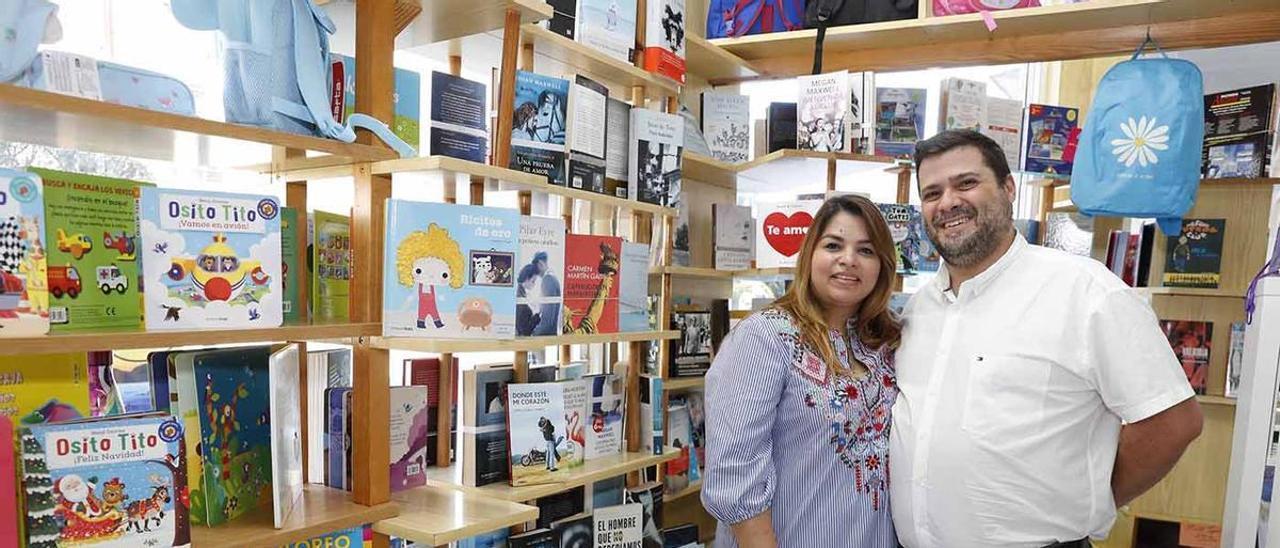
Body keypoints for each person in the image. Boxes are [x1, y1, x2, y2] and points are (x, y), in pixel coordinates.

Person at [891, 129, 1203, 547]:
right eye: (932, 193)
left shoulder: (1086, 291)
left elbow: (1174, 421)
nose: (948, 202)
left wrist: (1090, 500)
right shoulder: (918, 310)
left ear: (1007, 188)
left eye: (966, 183)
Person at [702, 195, 902, 547]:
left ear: (883, 266)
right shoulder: (764, 337)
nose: (848, 260)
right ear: (810, 254)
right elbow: (735, 477)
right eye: (833, 245)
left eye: (866, 251)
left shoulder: (885, 345)